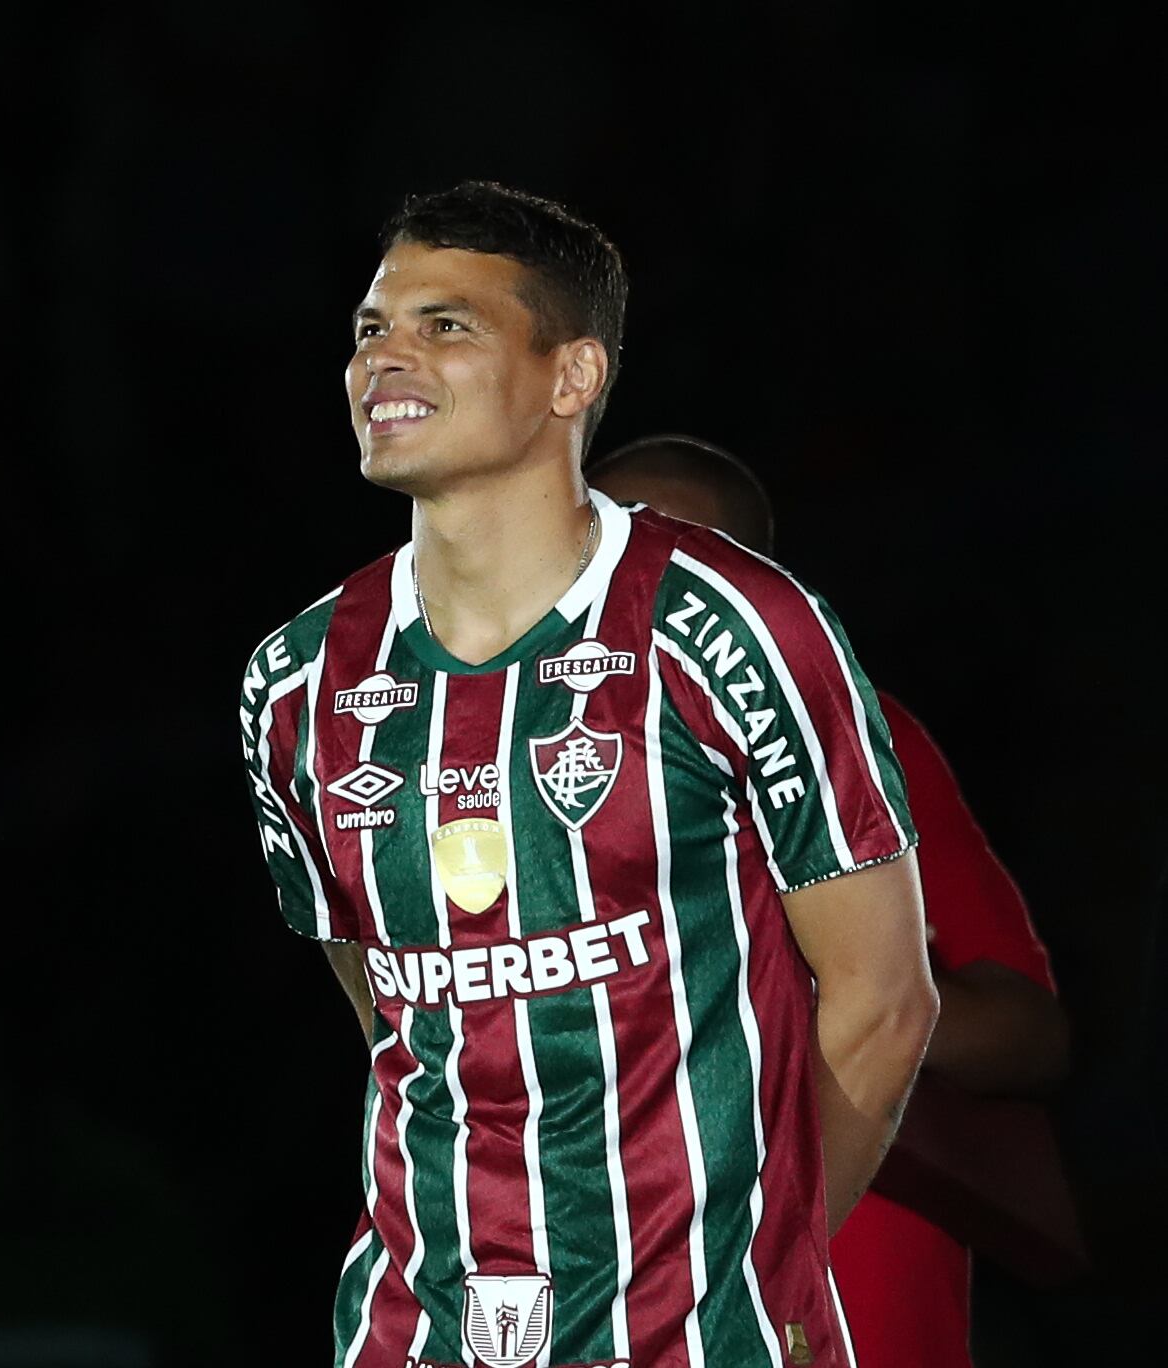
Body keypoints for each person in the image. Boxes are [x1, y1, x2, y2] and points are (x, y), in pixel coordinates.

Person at [237, 180, 938, 1368]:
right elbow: (390, 1009)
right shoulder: (295, 681)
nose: (384, 357)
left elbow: (882, 998)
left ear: (571, 376)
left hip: (694, 1335)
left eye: (444, 325)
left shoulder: (729, 628)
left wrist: (762, 1267)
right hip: (414, 1332)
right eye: (370, 328)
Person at [587, 433, 1070, 1368]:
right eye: (605, 545)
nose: (643, 589)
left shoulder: (848, 733)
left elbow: (1029, 1036)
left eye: (691, 562)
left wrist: (826, 989)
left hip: (850, 1279)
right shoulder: (463, 751)